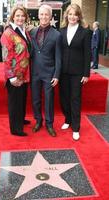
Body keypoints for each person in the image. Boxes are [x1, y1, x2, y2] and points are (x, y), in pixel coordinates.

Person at [59, 4, 91, 140]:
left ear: (79, 16)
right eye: (70, 14)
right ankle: (68, 120)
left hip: (78, 72)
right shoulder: (61, 31)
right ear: (67, 15)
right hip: (63, 72)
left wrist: (86, 73)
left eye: (75, 14)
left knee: (75, 99)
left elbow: (87, 54)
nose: (72, 17)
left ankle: (76, 127)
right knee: (64, 98)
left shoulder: (84, 32)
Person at [30, 5, 62, 137]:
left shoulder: (57, 35)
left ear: (51, 17)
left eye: (46, 15)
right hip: (34, 73)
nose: (44, 17)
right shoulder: (32, 32)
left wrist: (56, 75)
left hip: (49, 73)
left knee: (49, 100)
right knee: (36, 99)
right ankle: (38, 121)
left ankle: (49, 124)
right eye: (41, 14)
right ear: (38, 16)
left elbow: (58, 57)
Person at [0, 6, 31, 136]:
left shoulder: (23, 30)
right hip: (14, 75)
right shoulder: (8, 33)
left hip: (24, 74)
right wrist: (11, 76)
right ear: (12, 16)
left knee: (22, 99)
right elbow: (6, 57)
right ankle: (15, 129)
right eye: (17, 15)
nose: (20, 18)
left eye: (22, 16)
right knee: (15, 102)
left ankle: (20, 120)